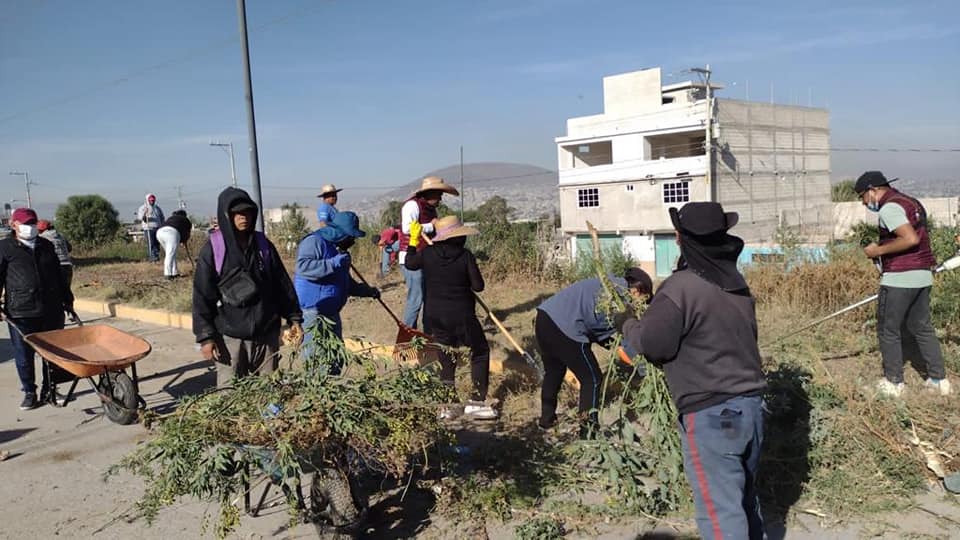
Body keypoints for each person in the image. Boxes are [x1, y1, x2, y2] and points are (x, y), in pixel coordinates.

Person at [619, 202, 767, 540]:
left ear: (681, 239)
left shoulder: (680, 288)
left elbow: (656, 345)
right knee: (744, 502)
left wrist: (628, 326)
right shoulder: (735, 284)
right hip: (751, 409)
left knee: (720, 515)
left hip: (713, 415)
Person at [193, 188, 303, 388]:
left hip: (266, 335)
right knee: (231, 396)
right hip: (230, 339)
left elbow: (282, 284)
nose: (244, 217)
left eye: (248, 212)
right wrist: (206, 337)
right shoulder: (214, 249)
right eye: (237, 213)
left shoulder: (263, 246)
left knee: (268, 391)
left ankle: (270, 420)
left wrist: (294, 317)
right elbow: (202, 296)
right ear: (227, 216)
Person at [856, 171, 950, 396]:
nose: (863, 203)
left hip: (899, 277)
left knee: (889, 330)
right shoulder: (912, 203)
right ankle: (939, 380)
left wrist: (876, 250)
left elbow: (910, 238)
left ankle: (894, 383)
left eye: (863, 197)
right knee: (922, 328)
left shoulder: (889, 208)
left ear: (873, 190)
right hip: (922, 276)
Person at [535, 267, 651, 437]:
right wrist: (644, 367)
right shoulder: (620, 300)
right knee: (592, 379)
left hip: (545, 317)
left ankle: (546, 421)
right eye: (644, 299)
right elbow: (618, 341)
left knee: (554, 371)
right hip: (566, 328)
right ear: (637, 290)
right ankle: (588, 432)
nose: (642, 304)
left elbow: (604, 335)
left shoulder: (609, 283)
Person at [404, 215, 497, 419]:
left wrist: (413, 241)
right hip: (462, 315)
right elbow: (478, 286)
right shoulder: (465, 256)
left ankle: (448, 406)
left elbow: (410, 263)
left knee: (446, 357)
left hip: (434, 316)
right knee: (480, 350)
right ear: (457, 237)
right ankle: (476, 402)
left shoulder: (427, 253)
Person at [0, 208, 76, 410]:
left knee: (52, 353)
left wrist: (68, 300)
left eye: (33, 223)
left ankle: (50, 390)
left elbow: (59, 277)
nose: (30, 227)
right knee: (24, 355)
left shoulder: (46, 246)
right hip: (20, 311)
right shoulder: (5, 248)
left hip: (51, 308)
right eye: (25, 223)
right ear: (13, 224)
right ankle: (29, 392)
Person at [294, 211, 379, 374]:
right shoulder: (314, 242)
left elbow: (346, 283)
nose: (353, 241)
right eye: (351, 236)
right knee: (317, 363)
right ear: (340, 233)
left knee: (335, 360)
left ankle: (332, 395)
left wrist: (368, 291)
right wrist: (333, 263)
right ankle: (317, 396)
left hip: (332, 314)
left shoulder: (338, 250)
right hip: (314, 314)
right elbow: (303, 268)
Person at [398, 176, 459, 328]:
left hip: (426, 257)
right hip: (411, 258)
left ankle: (428, 333)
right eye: (439, 194)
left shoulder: (431, 210)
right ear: (430, 193)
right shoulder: (412, 206)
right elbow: (407, 228)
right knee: (416, 298)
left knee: (429, 298)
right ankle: (408, 336)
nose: (440, 198)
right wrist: (432, 226)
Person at [156, 210, 192, 280]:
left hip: (159, 232)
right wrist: (185, 241)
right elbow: (187, 233)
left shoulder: (171, 218)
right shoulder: (185, 219)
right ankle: (168, 274)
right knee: (170, 254)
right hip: (171, 233)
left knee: (172, 254)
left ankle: (174, 272)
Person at [37, 220, 73, 289]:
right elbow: (69, 248)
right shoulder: (61, 236)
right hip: (67, 266)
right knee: (65, 292)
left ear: (42, 230)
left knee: (53, 293)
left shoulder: (42, 237)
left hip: (54, 267)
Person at [137, 193, 165, 262]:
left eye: (153, 200)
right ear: (147, 200)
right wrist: (145, 214)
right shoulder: (143, 208)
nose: (152, 201)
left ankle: (157, 257)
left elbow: (162, 217)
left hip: (158, 228)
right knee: (151, 243)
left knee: (157, 243)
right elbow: (141, 218)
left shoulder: (157, 208)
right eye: (151, 200)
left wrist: (162, 225)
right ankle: (152, 258)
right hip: (148, 228)